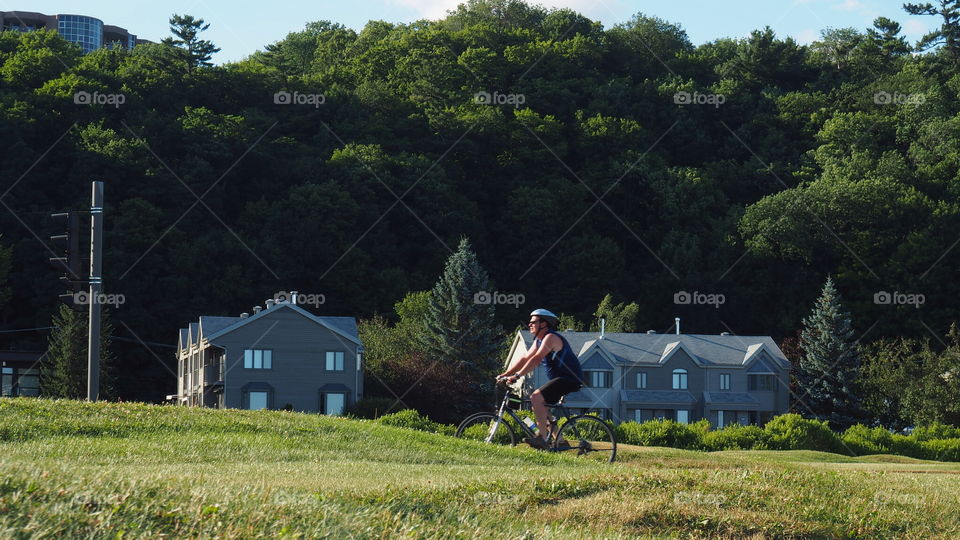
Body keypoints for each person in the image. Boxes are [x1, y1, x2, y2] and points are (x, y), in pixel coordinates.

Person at [497, 308, 584, 449]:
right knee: (540, 406)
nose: (529, 325)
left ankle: (542, 439)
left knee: (536, 397)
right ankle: (560, 440)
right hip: (561, 379)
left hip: (569, 378)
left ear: (544, 324)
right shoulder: (539, 341)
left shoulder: (550, 338)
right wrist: (506, 374)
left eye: (533, 322)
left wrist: (518, 376)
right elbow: (525, 358)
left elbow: (536, 359)